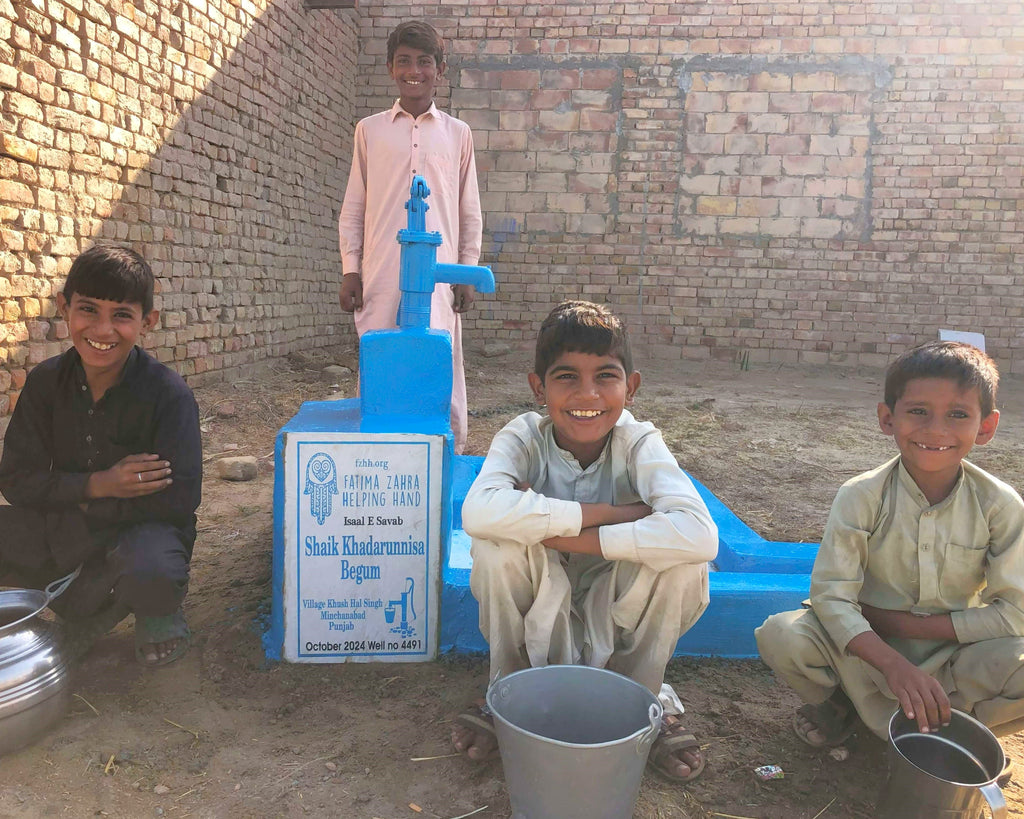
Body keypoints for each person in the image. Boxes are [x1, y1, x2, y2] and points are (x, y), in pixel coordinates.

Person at [451, 301, 719, 783]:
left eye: (606, 376)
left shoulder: (639, 442)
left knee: (684, 565)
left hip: (614, 599)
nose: (587, 394)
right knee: (496, 547)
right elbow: (478, 512)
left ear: (631, 387)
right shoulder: (524, 436)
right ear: (539, 387)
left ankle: (639, 703)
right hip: (539, 593)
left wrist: (567, 539)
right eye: (566, 377)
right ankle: (508, 689)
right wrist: (612, 515)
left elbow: (699, 535)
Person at [756, 341, 1024, 770]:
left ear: (987, 427)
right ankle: (842, 707)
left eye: (958, 414)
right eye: (918, 411)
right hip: (865, 650)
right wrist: (893, 662)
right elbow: (831, 598)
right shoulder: (861, 495)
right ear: (887, 418)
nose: (936, 430)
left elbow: (1015, 615)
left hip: (954, 654)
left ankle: (962, 731)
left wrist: (904, 626)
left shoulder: (1000, 505)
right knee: (782, 635)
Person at [0, 245, 202, 666]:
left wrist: (88, 506)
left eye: (122, 315)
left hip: (135, 535)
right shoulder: (45, 383)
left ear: (148, 322)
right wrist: (99, 485)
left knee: (153, 566)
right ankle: (41, 617)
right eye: (88, 310)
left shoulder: (167, 394)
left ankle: (157, 615)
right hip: (66, 523)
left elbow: (180, 498)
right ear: (64, 308)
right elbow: (17, 480)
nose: (103, 329)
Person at [337, 19, 483, 455]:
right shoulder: (370, 130)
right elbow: (355, 207)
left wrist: (468, 272)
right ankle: (376, 455)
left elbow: (468, 209)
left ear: (441, 70)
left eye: (424, 62)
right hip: (380, 269)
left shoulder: (458, 134)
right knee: (378, 354)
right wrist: (351, 269)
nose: (413, 71)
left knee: (440, 355)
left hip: (438, 274)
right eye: (404, 62)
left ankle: (447, 453)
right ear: (390, 68)